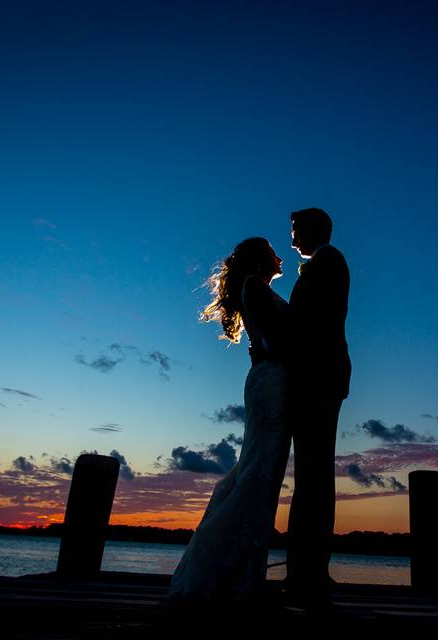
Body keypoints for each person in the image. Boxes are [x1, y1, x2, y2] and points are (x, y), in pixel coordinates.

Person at [165, 237, 293, 609]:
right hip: (271, 381)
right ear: (259, 260)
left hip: (271, 378)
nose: (280, 256)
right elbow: (276, 340)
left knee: (259, 474)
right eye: (272, 251)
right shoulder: (254, 286)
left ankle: (243, 575)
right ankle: (225, 575)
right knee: (257, 474)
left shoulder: (255, 287)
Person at [283, 207, 351, 610]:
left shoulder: (328, 261)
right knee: (312, 475)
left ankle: (308, 571)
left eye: (295, 232)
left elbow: (310, 324)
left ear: (312, 230)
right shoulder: (323, 263)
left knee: (314, 475)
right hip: (319, 377)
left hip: (319, 378)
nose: (292, 241)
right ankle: (306, 569)